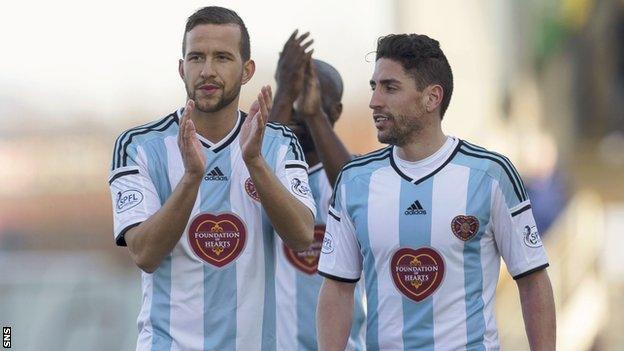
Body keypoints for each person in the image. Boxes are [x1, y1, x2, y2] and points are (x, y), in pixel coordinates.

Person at [317, 34, 556, 350]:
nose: (374, 101)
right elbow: (337, 289)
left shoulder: (490, 175)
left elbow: (532, 280)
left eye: (390, 87)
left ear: (432, 98)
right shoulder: (355, 181)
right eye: (374, 87)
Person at [108, 7, 316, 350]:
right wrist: (191, 178)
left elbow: (302, 235)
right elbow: (144, 254)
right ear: (181, 68)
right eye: (196, 57)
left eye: (222, 57)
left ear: (247, 70)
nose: (207, 71)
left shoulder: (278, 143)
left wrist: (254, 162)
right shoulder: (139, 146)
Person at [268, 31, 365, 350]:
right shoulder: (263, 174)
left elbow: (354, 192)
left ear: (334, 112)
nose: (297, 109)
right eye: (292, 100)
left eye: (308, 98)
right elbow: (253, 174)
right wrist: (283, 91)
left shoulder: (357, 174)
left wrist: (313, 114)